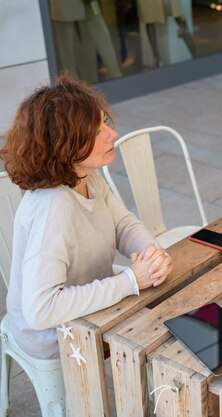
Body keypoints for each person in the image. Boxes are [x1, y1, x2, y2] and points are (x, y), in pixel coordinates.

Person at [0, 75, 173, 360]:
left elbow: (123, 224)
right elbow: (41, 309)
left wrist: (150, 254)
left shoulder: (85, 176)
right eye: (96, 131)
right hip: (53, 334)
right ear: (64, 146)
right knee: (155, 337)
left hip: (86, 295)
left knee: (164, 306)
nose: (112, 134)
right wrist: (130, 280)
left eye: (105, 122)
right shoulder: (52, 209)